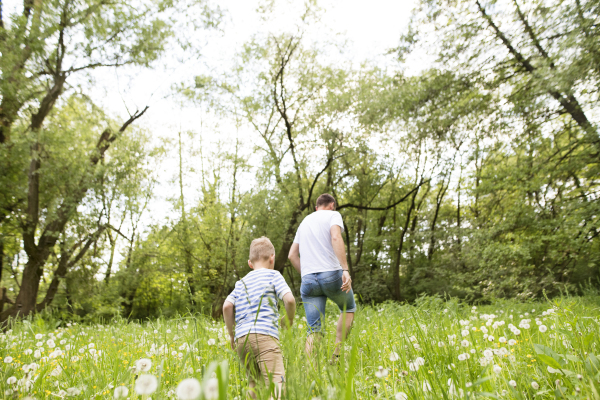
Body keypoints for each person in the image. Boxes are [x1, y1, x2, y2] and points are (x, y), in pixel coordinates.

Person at [223, 236, 296, 400]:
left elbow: (227, 306)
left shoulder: (241, 282)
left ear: (250, 263)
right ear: (272, 258)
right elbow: (290, 300)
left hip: (243, 339)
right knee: (277, 381)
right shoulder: (274, 275)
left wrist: (232, 334)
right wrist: (288, 320)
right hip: (265, 337)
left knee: (253, 383)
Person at [288, 193, 355, 358]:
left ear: (316, 208)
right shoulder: (333, 215)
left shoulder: (304, 222)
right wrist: (345, 269)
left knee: (313, 329)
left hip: (308, 280)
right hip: (331, 274)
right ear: (332, 205)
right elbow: (335, 237)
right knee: (348, 308)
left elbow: (292, 255)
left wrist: (306, 275)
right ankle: (336, 354)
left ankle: (309, 371)